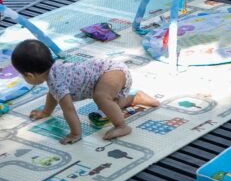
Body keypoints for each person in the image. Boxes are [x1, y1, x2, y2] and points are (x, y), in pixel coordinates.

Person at [11, 40, 160, 143]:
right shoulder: (55, 73)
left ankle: (122, 126)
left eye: (22, 75)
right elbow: (52, 95)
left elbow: (68, 109)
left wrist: (76, 134)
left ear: (29, 75)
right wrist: (46, 112)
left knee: (101, 97)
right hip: (110, 71)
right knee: (108, 103)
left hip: (111, 71)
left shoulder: (56, 81)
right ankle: (135, 98)